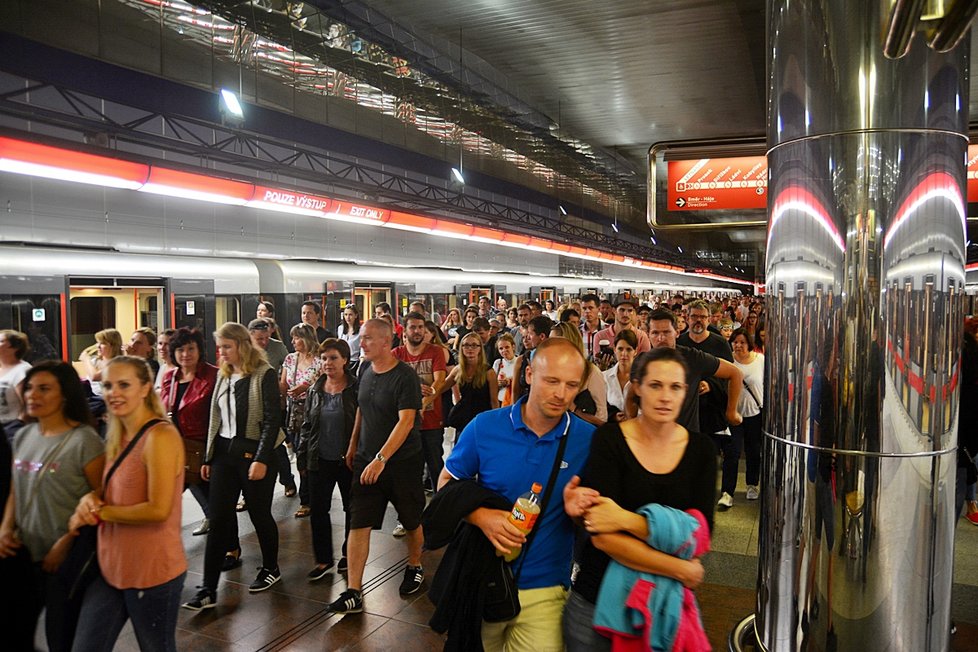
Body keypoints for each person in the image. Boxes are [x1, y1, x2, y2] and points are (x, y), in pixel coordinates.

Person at [436, 338, 596, 651]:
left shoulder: (587, 440)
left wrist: (585, 512)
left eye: (571, 384)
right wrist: (482, 517)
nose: (561, 393)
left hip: (547, 588)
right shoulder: (485, 427)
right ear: (529, 376)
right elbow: (446, 483)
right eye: (551, 381)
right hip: (483, 580)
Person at [562, 347, 717, 651]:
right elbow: (603, 536)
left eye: (675, 387)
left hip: (660, 610)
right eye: (656, 385)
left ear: (685, 392)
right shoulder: (610, 439)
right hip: (595, 606)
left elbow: (698, 536)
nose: (665, 397)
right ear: (638, 388)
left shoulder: (701, 451)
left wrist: (625, 520)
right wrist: (679, 568)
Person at [69, 356, 186, 652]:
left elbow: (158, 509)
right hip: (112, 566)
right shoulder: (118, 432)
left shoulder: (159, 436)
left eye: (124, 385)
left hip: (151, 571)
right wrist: (91, 498)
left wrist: (99, 513)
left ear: (146, 388)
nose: (113, 393)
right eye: (107, 385)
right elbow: (113, 489)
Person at [0, 362, 103, 652]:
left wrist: (67, 542)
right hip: (23, 554)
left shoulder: (85, 440)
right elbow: (15, 489)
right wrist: (5, 527)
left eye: (44, 389)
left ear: (65, 396)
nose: (33, 395)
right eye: (30, 387)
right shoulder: (22, 435)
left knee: (60, 637)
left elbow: (99, 498)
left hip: (64, 557)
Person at [326, 318, 426, 614]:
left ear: (386, 342)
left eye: (368, 338)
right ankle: (353, 590)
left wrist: (382, 459)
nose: (362, 343)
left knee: (410, 519)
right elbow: (361, 409)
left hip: (401, 463)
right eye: (362, 338)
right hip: (366, 460)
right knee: (359, 522)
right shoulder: (364, 369)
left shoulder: (404, 376)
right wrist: (354, 443)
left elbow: (406, 421)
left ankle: (415, 565)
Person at [182, 322, 282, 611]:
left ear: (241, 345)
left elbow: (273, 420)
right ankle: (208, 588)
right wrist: (209, 458)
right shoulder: (223, 376)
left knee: (260, 513)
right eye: (219, 347)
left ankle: (271, 567)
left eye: (227, 346)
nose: (221, 352)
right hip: (225, 453)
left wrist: (262, 459)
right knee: (219, 519)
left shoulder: (264, 374)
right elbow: (216, 419)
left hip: (254, 451)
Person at [297, 339, 357, 579]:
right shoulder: (315, 390)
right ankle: (323, 560)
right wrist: (302, 457)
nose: (327, 363)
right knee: (319, 509)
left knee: (351, 508)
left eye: (333, 358)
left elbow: (363, 424)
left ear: (345, 360)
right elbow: (307, 425)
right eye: (323, 358)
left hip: (348, 459)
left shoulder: (356, 387)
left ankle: (349, 553)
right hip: (319, 458)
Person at [159, 327, 219, 536]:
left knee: (213, 501)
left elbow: (217, 416)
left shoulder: (213, 376)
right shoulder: (170, 378)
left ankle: (230, 547)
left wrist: (210, 457)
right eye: (181, 349)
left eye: (191, 349)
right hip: (176, 449)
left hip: (202, 449)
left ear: (199, 350)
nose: (186, 354)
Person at [393, 312, 448, 523]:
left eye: (420, 327)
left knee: (435, 466)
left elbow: (439, 381)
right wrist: (415, 388)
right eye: (412, 327)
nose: (417, 331)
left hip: (432, 421)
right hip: (404, 424)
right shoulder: (396, 354)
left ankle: (440, 512)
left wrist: (422, 403)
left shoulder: (435, 351)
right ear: (405, 332)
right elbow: (393, 385)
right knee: (409, 471)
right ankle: (407, 517)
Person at [282, 323, 323, 518]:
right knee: (300, 453)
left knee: (307, 454)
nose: (293, 342)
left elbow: (325, 384)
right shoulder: (290, 359)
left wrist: (305, 387)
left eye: (296, 338)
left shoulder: (319, 361)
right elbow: (283, 384)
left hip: (314, 412)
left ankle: (307, 498)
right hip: (294, 414)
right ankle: (308, 494)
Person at [550, 322, 607, 426]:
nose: (550, 347)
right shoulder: (548, 371)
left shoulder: (591, 372)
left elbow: (601, 419)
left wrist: (574, 409)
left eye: (555, 342)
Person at [443, 332, 499, 437]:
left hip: (483, 418)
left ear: (479, 348)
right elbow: (442, 387)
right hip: (463, 418)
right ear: (462, 348)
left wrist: (496, 422)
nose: (470, 349)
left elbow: (494, 401)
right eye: (466, 345)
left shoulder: (488, 372)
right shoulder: (458, 369)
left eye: (474, 345)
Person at [731, 328, 764, 502]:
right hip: (734, 413)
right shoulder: (728, 360)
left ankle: (752, 485)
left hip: (755, 413)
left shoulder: (760, 360)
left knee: (753, 451)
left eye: (742, 342)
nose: (738, 345)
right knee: (733, 451)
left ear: (749, 344)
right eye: (736, 342)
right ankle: (728, 491)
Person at [593, 299, 651, 371]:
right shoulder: (600, 336)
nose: (626, 314)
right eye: (622, 310)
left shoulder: (642, 336)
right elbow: (596, 364)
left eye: (630, 310)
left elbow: (645, 365)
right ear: (614, 310)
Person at [0, 329, 32, 441]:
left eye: (1, 341)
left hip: (11, 430)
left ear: (14, 348)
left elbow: (28, 405)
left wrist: (17, 425)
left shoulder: (22, 371)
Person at [513, 315, 553, 400]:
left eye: (530, 334)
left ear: (542, 336)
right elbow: (515, 391)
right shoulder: (523, 359)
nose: (528, 338)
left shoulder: (555, 360)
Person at [602, 330, 638, 422]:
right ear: (614, 349)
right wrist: (613, 416)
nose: (624, 354)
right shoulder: (604, 377)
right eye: (620, 349)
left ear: (635, 351)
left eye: (629, 349)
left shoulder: (643, 378)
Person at [83, 328, 123, 396]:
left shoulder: (118, 363)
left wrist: (85, 358)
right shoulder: (94, 361)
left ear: (113, 346)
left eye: (102, 343)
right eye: (98, 342)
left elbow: (94, 377)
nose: (98, 346)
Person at [492, 332, 518, 407]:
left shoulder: (520, 361)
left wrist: (510, 381)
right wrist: (498, 383)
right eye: (501, 348)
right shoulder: (497, 363)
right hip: (499, 402)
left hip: (514, 402)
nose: (504, 350)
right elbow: (491, 385)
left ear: (513, 347)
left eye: (507, 347)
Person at [580, 294, 607, 361]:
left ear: (599, 309)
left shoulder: (608, 330)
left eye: (590, 308)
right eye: (584, 308)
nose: (587, 311)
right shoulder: (577, 331)